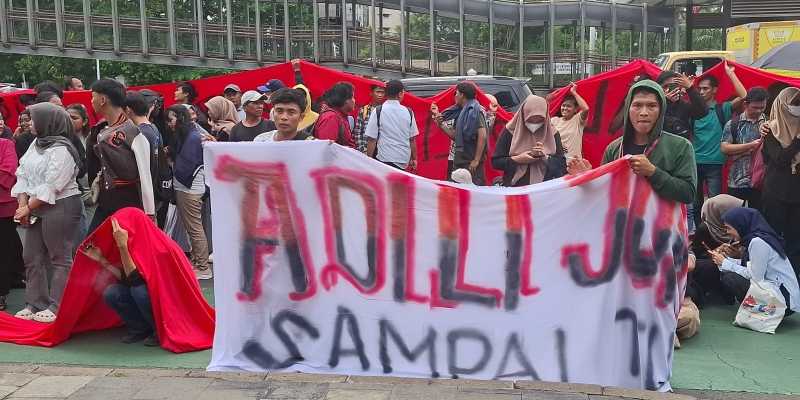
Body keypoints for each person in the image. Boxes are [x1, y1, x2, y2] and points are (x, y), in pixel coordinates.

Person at [568, 80, 697, 204]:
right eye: (637, 105)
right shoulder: (614, 149)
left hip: (661, 225)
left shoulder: (681, 146)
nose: (644, 113)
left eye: (652, 106)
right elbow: (604, 193)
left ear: (661, 110)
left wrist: (653, 172)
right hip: (620, 224)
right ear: (628, 109)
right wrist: (588, 179)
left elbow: (688, 194)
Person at [11, 102, 83, 323]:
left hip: (61, 204)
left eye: (34, 118)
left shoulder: (63, 149)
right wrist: (22, 204)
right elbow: (23, 173)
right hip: (35, 205)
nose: (29, 123)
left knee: (59, 256)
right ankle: (34, 303)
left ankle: (57, 305)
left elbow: (53, 185)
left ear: (47, 122)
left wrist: (26, 208)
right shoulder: (36, 143)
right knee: (31, 256)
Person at [88, 79, 155, 232]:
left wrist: (150, 214)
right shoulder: (103, 130)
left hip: (127, 202)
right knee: (93, 247)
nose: (91, 101)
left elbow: (145, 176)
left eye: (93, 96)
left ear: (103, 100)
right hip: (107, 201)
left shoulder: (133, 132)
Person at [80, 217, 158, 346]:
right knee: (112, 292)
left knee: (138, 291)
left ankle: (158, 331)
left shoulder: (156, 247)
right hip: (140, 290)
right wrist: (101, 260)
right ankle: (140, 328)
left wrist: (123, 247)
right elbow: (126, 278)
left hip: (161, 304)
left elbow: (135, 279)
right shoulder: (130, 245)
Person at [690, 64, 747, 231]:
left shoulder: (723, 108)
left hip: (715, 163)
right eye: (699, 89)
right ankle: (701, 235)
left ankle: (715, 234)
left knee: (716, 202)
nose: (701, 92)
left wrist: (730, 74)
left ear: (715, 90)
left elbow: (744, 95)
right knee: (695, 203)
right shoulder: (693, 110)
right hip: (694, 162)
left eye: (705, 88)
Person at [712, 208, 799, 315]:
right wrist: (725, 260)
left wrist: (725, 263)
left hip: (785, 301)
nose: (727, 232)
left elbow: (755, 277)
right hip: (782, 294)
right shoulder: (758, 238)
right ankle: (759, 311)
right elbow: (754, 266)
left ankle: (759, 312)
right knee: (730, 273)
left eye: (729, 228)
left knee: (731, 278)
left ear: (740, 225)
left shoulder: (758, 242)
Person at [166, 105, 211, 280]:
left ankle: (203, 267)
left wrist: (172, 165)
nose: (169, 124)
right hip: (188, 187)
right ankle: (199, 262)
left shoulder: (192, 137)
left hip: (189, 188)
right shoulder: (191, 134)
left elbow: (186, 167)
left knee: (194, 228)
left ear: (180, 118)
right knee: (193, 228)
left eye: (171, 119)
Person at [761, 86, 800, 276]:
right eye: (793, 105)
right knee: (774, 238)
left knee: (795, 241)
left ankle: (794, 281)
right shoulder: (771, 129)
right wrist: (797, 141)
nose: (796, 109)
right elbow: (780, 159)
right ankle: (774, 277)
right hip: (776, 193)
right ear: (782, 105)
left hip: (797, 196)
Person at [492, 95, 566, 186]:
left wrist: (545, 157)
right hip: (515, 187)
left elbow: (562, 165)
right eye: (530, 119)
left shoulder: (552, 133)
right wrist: (517, 159)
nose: (535, 123)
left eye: (540, 120)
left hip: (544, 187)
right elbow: (496, 162)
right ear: (523, 114)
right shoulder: (510, 131)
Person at [688, 194, 745, 307]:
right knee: (710, 267)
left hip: (732, 265)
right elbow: (696, 254)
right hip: (712, 266)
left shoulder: (739, 227)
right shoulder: (705, 229)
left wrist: (738, 254)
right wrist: (717, 252)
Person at [721, 87, 768, 210]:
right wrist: (750, 146)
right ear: (746, 104)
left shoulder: (769, 123)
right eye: (755, 107)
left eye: (762, 107)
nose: (759, 111)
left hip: (760, 182)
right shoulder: (733, 124)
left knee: (758, 218)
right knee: (734, 219)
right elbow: (724, 148)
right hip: (736, 180)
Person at [433, 82, 488, 185]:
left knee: (474, 190)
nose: (455, 96)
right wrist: (441, 124)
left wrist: (476, 160)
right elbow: (456, 136)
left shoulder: (475, 111)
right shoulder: (460, 111)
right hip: (460, 160)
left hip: (471, 162)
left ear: (462, 95)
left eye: (456, 93)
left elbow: (483, 135)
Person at [364, 80, 418, 170]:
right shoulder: (409, 112)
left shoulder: (378, 111)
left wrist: (369, 161)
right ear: (400, 94)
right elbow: (412, 139)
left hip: (384, 159)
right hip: (403, 160)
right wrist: (414, 158)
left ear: (386, 93)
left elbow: (372, 139)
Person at [0, 136, 22, 311]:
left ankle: (1, 293)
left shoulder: (6, 144)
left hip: (3, 207)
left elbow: (8, 171)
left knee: (3, 251)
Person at [656, 71, 707, 140]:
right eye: (665, 87)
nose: (668, 90)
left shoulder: (684, 105)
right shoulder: (656, 105)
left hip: (682, 146)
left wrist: (690, 88)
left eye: (673, 86)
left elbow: (702, 112)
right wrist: (666, 101)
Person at [550, 83, 589, 159]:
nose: (565, 108)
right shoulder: (554, 121)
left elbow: (586, 109)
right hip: (558, 162)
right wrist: (558, 145)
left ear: (575, 109)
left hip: (574, 163)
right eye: (563, 105)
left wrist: (574, 93)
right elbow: (547, 138)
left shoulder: (577, 120)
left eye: (569, 106)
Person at [314, 82, 356, 148]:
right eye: (353, 97)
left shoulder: (340, 116)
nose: (354, 100)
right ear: (346, 100)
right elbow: (327, 148)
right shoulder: (331, 118)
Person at [353, 84, 386, 154]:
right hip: (366, 149)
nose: (380, 95)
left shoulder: (387, 111)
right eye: (378, 92)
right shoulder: (364, 110)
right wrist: (363, 150)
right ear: (371, 93)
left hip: (382, 152)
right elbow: (358, 132)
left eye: (382, 92)